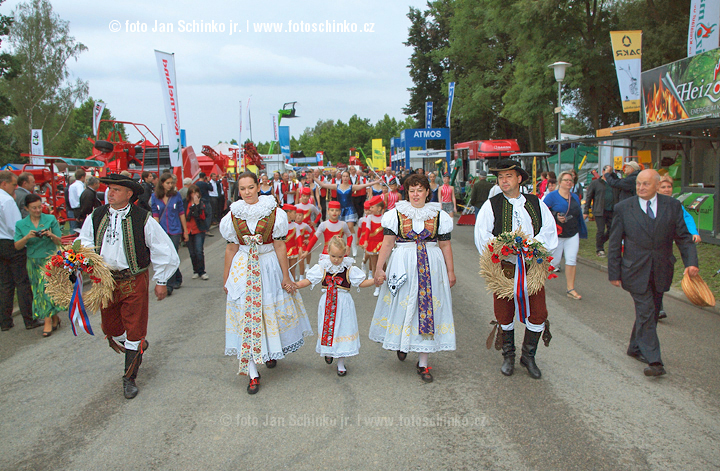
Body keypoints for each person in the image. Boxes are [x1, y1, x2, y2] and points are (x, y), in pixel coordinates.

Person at [79, 173, 180, 398]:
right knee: (111, 328)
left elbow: (164, 250)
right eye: (109, 189)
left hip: (134, 279)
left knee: (134, 329)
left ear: (129, 194)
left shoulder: (142, 218)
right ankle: (135, 346)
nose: (110, 193)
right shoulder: (96, 216)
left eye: (116, 189)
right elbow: (85, 242)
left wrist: (161, 281)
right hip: (105, 281)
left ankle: (129, 377)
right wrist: (85, 261)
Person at [221, 171, 312, 395]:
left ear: (258, 186)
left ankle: (269, 351)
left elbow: (280, 246)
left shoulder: (275, 212)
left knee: (266, 312)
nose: (247, 192)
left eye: (250, 187)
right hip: (243, 267)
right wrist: (226, 279)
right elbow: (231, 249)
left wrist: (286, 275)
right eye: (242, 189)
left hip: (268, 265)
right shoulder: (232, 216)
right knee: (246, 315)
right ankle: (252, 372)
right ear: (238, 191)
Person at [608, 169, 698, 377]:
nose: (640, 188)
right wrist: (614, 272)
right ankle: (654, 360)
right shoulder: (624, 208)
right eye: (638, 184)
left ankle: (635, 347)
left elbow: (683, 238)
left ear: (657, 186)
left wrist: (691, 263)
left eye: (646, 184)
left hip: (661, 269)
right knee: (647, 311)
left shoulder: (672, 206)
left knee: (651, 311)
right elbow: (614, 243)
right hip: (634, 270)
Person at [474, 159, 558, 379]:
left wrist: (530, 246)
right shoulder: (491, 205)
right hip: (504, 267)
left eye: (508, 176)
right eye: (500, 177)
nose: (503, 180)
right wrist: (503, 247)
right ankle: (508, 356)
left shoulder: (536, 202)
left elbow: (548, 230)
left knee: (538, 313)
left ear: (519, 179)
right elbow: (482, 235)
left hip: (532, 266)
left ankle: (528, 357)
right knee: (504, 312)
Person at [370, 174, 456, 383]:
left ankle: (423, 362)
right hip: (403, 264)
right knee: (403, 305)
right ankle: (402, 342)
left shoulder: (439, 216)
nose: (415, 194)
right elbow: (388, 243)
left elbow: (445, 245)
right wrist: (380, 268)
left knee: (427, 309)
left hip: (431, 266)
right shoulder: (396, 214)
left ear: (427, 192)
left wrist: (450, 271)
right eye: (411, 190)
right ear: (406, 193)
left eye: (419, 190)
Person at [13, 194, 63, 337]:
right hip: (33, 261)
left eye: (39, 207)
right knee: (38, 291)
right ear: (26, 208)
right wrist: (27, 237)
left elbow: (59, 241)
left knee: (47, 289)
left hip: (49, 260)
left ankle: (47, 321)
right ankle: (54, 317)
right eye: (34, 208)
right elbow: (17, 246)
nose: (37, 210)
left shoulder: (50, 219)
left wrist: (50, 235)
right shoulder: (21, 224)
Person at [654, 175, 701, 320]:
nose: (667, 190)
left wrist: (694, 232)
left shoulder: (675, 204)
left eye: (669, 187)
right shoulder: (648, 203)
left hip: (664, 249)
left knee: (660, 276)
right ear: (656, 188)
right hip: (647, 248)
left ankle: (658, 306)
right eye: (663, 187)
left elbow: (686, 218)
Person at [0, 171, 42, 331]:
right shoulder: (7, 200)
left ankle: (5, 320)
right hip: (12, 243)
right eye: (13, 184)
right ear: (4, 184)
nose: (15, 188)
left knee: (5, 283)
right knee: (22, 282)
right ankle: (29, 319)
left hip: (1, 242)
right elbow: (15, 225)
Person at [543, 171, 587, 300]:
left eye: (571, 180)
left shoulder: (575, 197)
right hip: (557, 234)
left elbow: (577, 212)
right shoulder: (552, 196)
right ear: (560, 182)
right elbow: (543, 211)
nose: (569, 182)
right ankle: (536, 283)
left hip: (572, 233)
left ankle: (570, 289)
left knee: (571, 259)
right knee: (553, 262)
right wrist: (556, 215)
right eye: (566, 180)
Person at [314, 171, 378, 256]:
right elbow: (324, 185)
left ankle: (353, 247)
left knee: (350, 226)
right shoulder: (336, 186)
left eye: (346, 176)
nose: (345, 178)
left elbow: (363, 186)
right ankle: (341, 247)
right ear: (341, 178)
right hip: (340, 210)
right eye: (343, 176)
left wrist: (376, 182)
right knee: (341, 230)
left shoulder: (351, 187)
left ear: (349, 178)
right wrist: (313, 178)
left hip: (349, 209)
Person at [150, 173, 189, 295]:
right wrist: (156, 232)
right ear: (162, 183)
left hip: (175, 229)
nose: (170, 185)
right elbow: (155, 214)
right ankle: (177, 277)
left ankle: (170, 284)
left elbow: (181, 213)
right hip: (162, 230)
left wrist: (185, 231)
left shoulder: (176, 196)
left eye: (171, 183)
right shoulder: (155, 196)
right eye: (168, 183)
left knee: (172, 255)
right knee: (166, 255)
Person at [583, 165, 618, 257]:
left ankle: (601, 242)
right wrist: (586, 210)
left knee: (611, 229)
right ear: (603, 171)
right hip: (600, 210)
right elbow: (589, 196)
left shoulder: (613, 182)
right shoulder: (596, 183)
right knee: (601, 230)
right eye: (607, 171)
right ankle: (600, 249)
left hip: (612, 210)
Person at [358, 195, 385, 297]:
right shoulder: (369, 217)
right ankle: (377, 286)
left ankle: (384, 284)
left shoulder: (384, 217)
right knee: (375, 265)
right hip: (372, 243)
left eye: (372, 207)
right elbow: (367, 230)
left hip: (382, 243)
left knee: (383, 264)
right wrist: (365, 241)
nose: (370, 209)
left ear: (379, 208)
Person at [185, 185, 209, 280]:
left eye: (196, 192)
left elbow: (202, 217)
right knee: (192, 252)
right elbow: (185, 216)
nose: (194, 195)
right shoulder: (185, 203)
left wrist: (197, 205)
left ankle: (202, 271)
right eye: (192, 192)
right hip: (188, 229)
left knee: (199, 251)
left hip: (198, 229)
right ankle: (195, 270)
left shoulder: (202, 203)